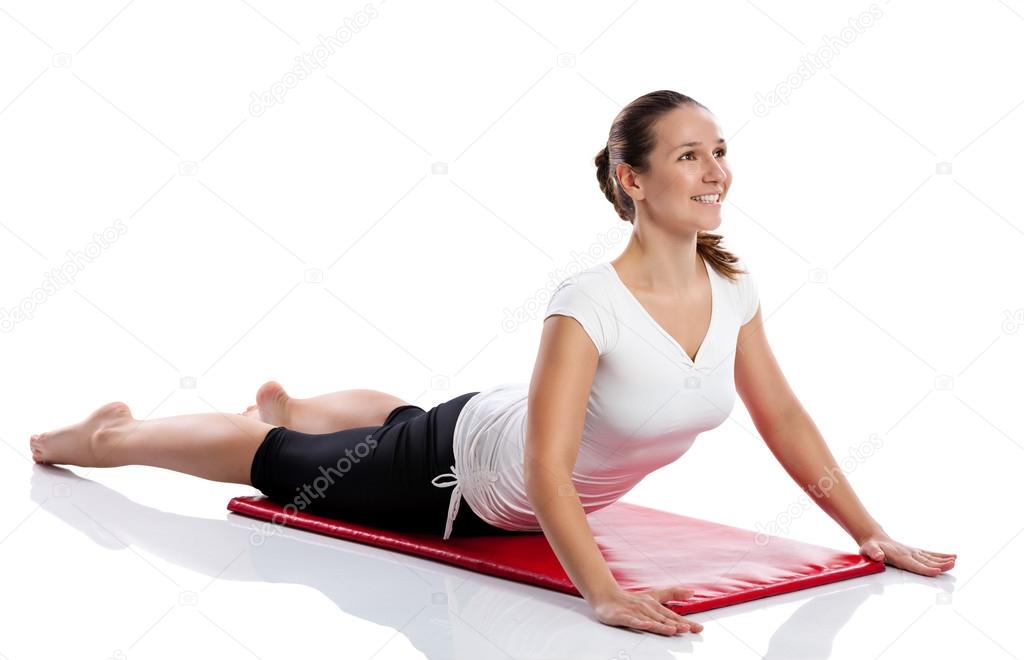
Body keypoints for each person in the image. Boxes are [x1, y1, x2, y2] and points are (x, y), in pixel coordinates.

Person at [30, 89, 956, 638]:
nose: (715, 171)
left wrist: (871, 533)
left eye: (720, 152)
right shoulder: (586, 301)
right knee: (270, 461)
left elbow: (785, 419)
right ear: (633, 180)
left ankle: (307, 403)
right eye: (688, 155)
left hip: (486, 428)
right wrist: (604, 595)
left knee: (396, 422)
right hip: (453, 482)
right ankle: (115, 433)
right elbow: (548, 470)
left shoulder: (736, 289)